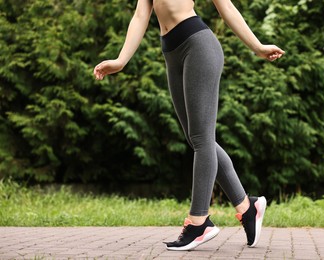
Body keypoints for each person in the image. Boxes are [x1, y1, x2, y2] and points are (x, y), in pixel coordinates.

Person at [94, 0, 285, 251]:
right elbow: (141, 14)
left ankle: (199, 222)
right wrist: (121, 60)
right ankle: (247, 208)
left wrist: (258, 46)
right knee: (199, 138)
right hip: (171, 53)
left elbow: (225, 7)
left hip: (198, 45)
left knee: (201, 138)